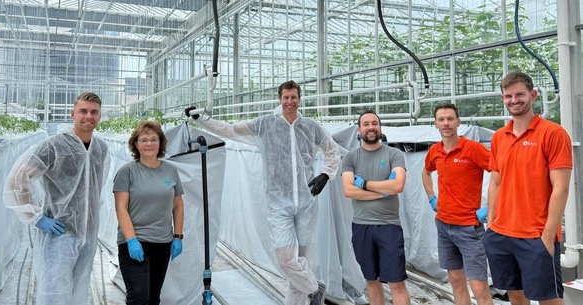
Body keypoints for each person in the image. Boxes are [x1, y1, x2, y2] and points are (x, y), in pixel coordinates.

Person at [187, 80, 340, 305]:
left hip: (307, 202)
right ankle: (314, 288)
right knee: (286, 259)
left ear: (299, 99)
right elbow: (231, 129)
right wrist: (202, 119)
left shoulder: (311, 126)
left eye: (293, 97)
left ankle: (302, 298)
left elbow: (332, 150)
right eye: (286, 97)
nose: (290, 101)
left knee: (302, 261)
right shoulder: (265, 124)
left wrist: (326, 174)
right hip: (279, 204)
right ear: (280, 99)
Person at [4, 92, 110, 305]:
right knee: (54, 294)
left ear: (100, 116)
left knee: (79, 289)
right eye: (83, 111)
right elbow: (18, 179)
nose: (88, 116)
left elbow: (96, 188)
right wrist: (36, 217)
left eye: (94, 112)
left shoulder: (101, 149)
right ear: (72, 114)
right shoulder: (54, 145)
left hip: (88, 234)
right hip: (59, 235)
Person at [484, 71, 572, 305]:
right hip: (502, 233)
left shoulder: (553, 134)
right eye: (508, 96)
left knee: (549, 299)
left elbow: (561, 187)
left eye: (520, 94)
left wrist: (548, 234)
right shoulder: (499, 137)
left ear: (533, 95)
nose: (514, 100)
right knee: (515, 295)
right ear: (503, 98)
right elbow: (495, 182)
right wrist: (491, 221)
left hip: (536, 234)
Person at [421, 102, 493, 305]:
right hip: (444, 226)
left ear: (458, 122)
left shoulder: (473, 149)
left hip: (469, 228)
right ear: (435, 124)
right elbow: (426, 172)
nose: (446, 123)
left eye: (450, 119)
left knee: (479, 287)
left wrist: (490, 208)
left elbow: (501, 174)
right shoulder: (435, 151)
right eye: (441, 119)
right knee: (455, 280)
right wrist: (431, 197)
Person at [341, 111, 410, 305]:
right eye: (366, 124)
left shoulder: (394, 154)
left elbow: (397, 186)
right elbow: (348, 190)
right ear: (359, 130)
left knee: (396, 282)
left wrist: (363, 184)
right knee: (371, 280)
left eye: (374, 123)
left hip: (389, 226)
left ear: (380, 127)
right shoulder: (350, 158)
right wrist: (383, 192)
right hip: (361, 226)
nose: (371, 127)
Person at [113, 120, 184, 305]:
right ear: (136, 144)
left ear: (160, 143)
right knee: (138, 296)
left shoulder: (170, 171)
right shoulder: (127, 172)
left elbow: (178, 205)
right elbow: (121, 208)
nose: (149, 144)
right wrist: (131, 240)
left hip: (162, 242)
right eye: (144, 140)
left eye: (153, 139)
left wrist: (177, 236)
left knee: (153, 297)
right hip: (134, 241)